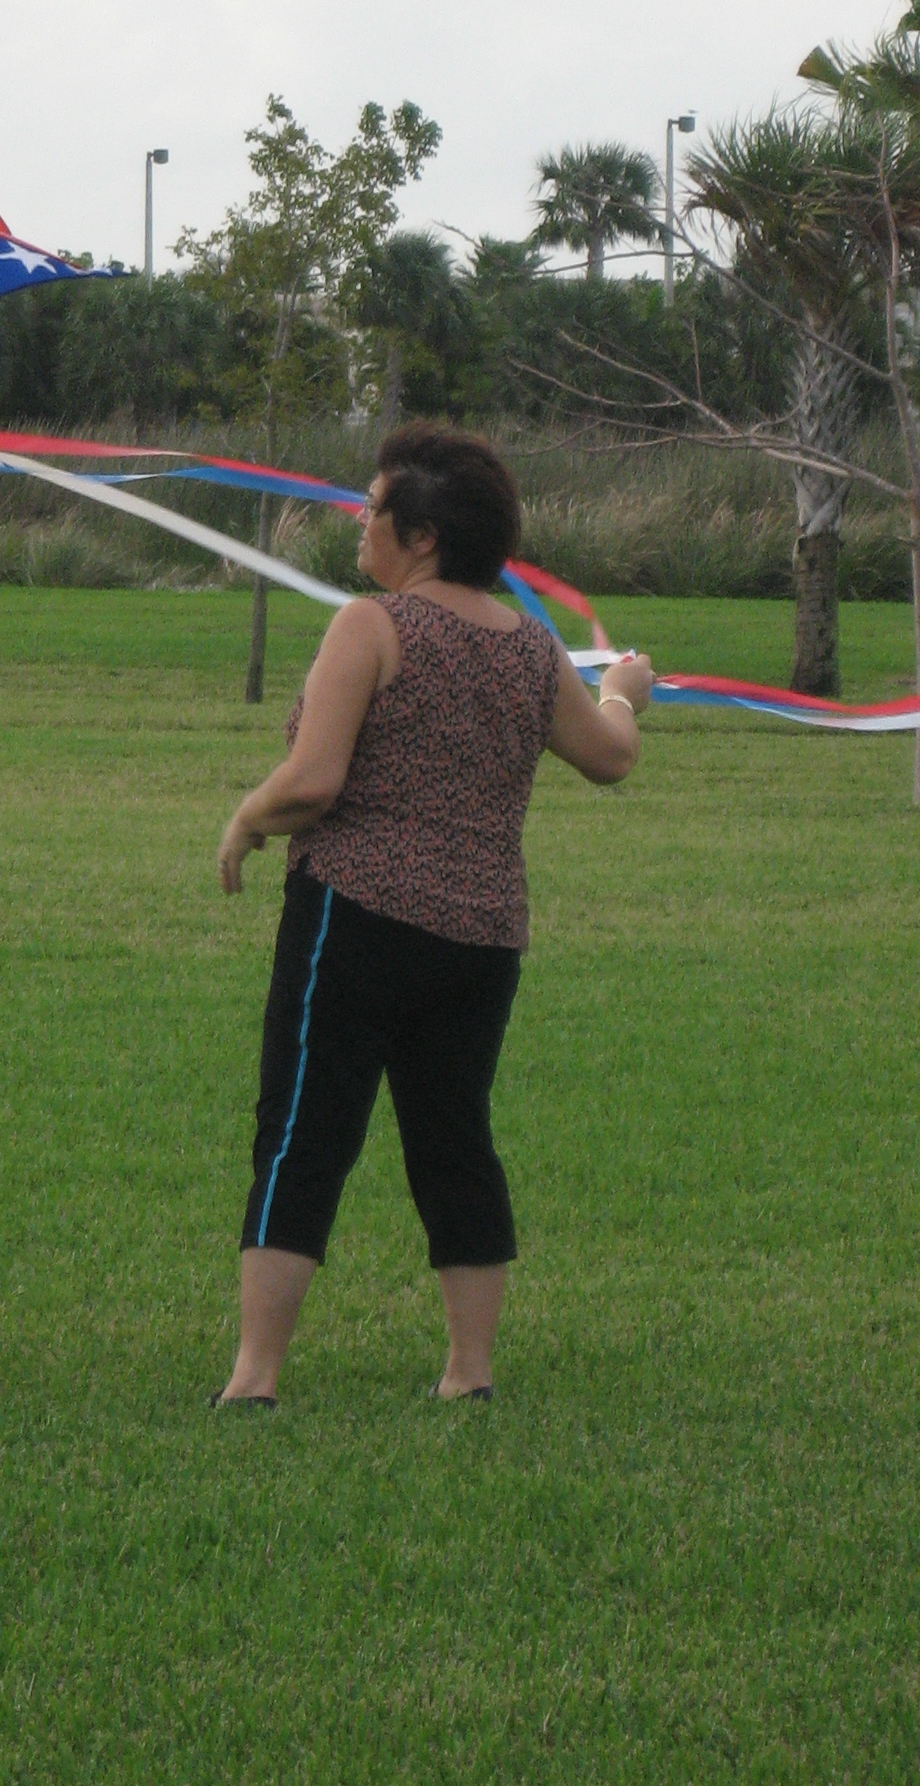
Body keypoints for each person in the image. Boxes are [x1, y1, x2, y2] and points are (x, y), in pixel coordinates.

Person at [211, 419, 652, 1408]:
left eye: (371, 510)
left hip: (354, 919)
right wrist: (622, 690)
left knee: (301, 1131)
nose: (358, 525)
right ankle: (469, 1372)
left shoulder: (374, 625)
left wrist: (245, 817)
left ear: (420, 537)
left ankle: (254, 1376)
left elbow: (313, 782)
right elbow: (611, 755)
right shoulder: (534, 649)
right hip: (481, 939)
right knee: (453, 1137)